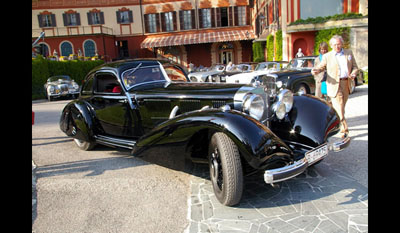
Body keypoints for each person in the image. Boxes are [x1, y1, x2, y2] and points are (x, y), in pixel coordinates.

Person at [311, 35, 359, 138]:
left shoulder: (348, 53)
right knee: (339, 105)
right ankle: (344, 130)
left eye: (339, 44)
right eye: (335, 44)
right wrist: (316, 70)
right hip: (334, 84)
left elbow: (355, 67)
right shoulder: (327, 56)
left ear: (342, 44)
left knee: (341, 107)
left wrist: (354, 73)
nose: (337, 46)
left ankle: (335, 122)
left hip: (346, 83)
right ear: (331, 45)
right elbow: (321, 67)